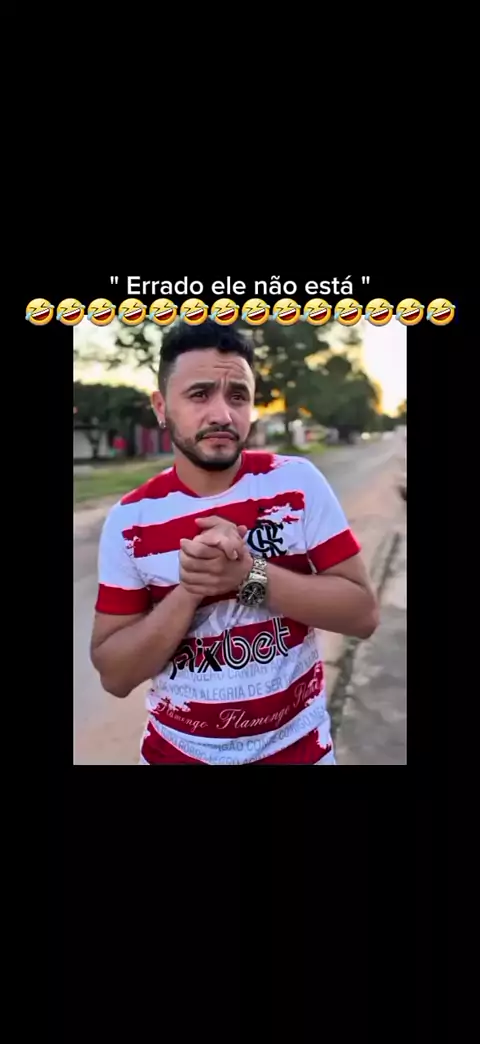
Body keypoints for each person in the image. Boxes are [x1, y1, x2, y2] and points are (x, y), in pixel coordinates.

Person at [90, 320, 379, 765]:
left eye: (238, 396)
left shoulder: (295, 485)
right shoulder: (131, 520)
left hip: (300, 752)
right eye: (199, 394)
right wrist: (193, 587)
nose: (222, 414)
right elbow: (115, 674)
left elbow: (362, 615)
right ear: (161, 406)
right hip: (176, 755)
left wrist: (249, 576)